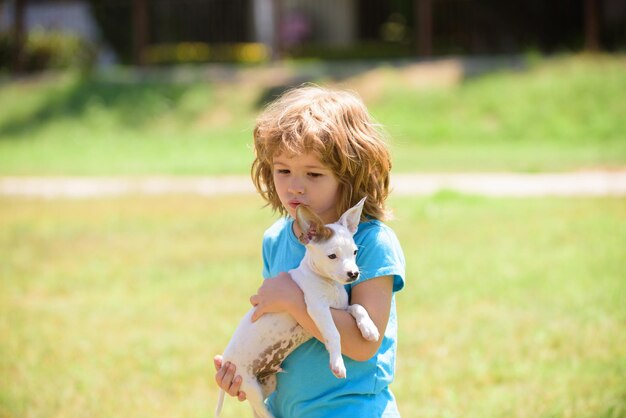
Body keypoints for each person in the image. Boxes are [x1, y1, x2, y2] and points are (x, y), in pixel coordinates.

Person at [214, 85, 406, 417]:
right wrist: (246, 370)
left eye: (313, 174)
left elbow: (364, 345)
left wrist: (294, 299)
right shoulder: (276, 239)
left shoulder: (372, 244)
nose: (294, 186)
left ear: (349, 176)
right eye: (283, 170)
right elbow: (277, 331)